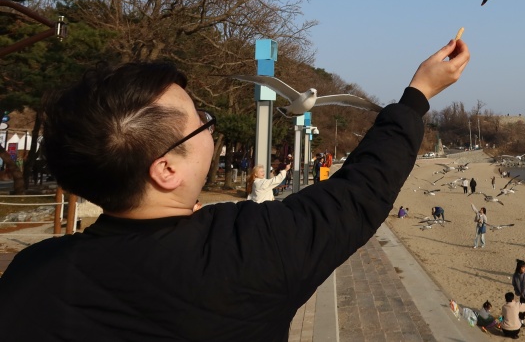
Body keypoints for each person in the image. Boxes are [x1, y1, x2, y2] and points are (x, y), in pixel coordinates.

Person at [0, 37, 470, 340]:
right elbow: (359, 193)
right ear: (165, 170)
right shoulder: (247, 249)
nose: (209, 130)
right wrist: (418, 95)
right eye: (201, 123)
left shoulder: (31, 273)